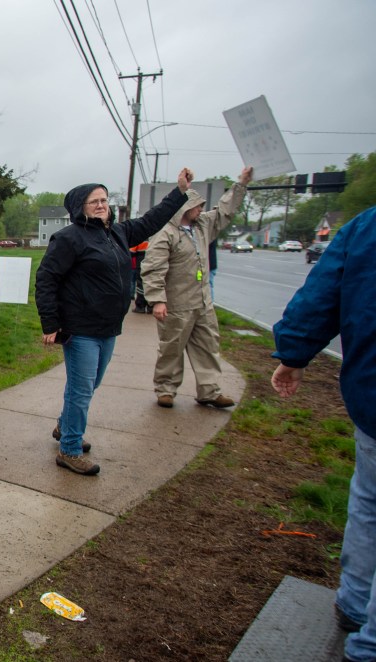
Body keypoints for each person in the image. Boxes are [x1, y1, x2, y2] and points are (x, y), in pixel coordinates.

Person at [270, 206, 376, 662]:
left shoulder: (367, 227)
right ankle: (366, 637)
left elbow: (320, 296)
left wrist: (293, 354)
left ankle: (355, 604)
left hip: (371, 393)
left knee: (368, 501)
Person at [36, 168, 192, 476]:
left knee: (90, 385)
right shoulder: (69, 238)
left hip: (108, 328)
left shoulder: (118, 233)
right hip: (81, 328)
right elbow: (46, 279)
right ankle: (69, 449)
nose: (101, 204)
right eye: (93, 200)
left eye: (104, 199)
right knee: (81, 390)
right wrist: (50, 323)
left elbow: (152, 220)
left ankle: (65, 425)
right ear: (79, 206)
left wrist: (180, 191)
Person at [141, 167, 252, 409]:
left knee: (208, 347)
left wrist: (240, 184)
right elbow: (153, 267)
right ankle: (166, 389)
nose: (201, 209)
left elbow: (224, 211)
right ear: (184, 207)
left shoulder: (202, 226)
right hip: (176, 304)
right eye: (197, 205)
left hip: (202, 302)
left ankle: (209, 391)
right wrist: (158, 299)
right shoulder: (166, 234)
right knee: (171, 350)